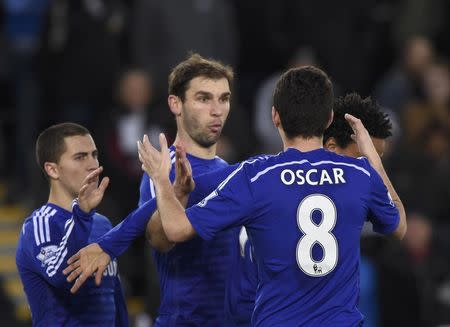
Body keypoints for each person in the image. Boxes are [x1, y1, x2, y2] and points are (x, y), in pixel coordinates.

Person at [137, 66, 407, 326]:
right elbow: (400, 227)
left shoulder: (256, 176)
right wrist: (373, 159)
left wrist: (162, 180)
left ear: (275, 116)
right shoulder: (359, 173)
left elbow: (174, 229)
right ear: (328, 119)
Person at [64, 53, 237, 326]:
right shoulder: (163, 170)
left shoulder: (228, 169)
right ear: (175, 104)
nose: (217, 110)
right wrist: (174, 193)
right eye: (204, 99)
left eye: (223, 98)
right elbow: (159, 239)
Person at [15, 123, 128, 326]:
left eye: (94, 154)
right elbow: (61, 276)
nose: (93, 165)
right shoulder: (40, 225)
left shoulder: (102, 224)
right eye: (80, 157)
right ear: (52, 170)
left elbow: (114, 296)